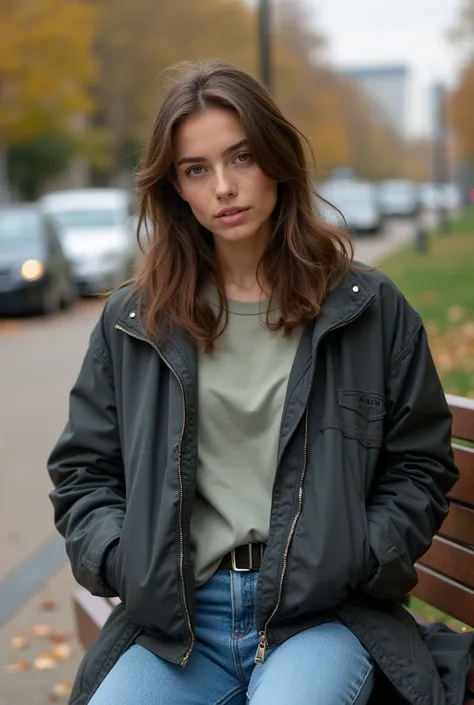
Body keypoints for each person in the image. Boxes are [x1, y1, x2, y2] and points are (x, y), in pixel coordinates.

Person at [48, 60, 463, 705]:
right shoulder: (136, 321)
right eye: (197, 169)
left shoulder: (365, 308)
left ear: (275, 158)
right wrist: (126, 560)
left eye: (240, 157)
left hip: (319, 617)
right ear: (176, 189)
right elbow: (84, 473)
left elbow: (419, 464)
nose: (223, 187)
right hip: (181, 624)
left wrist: (361, 555)